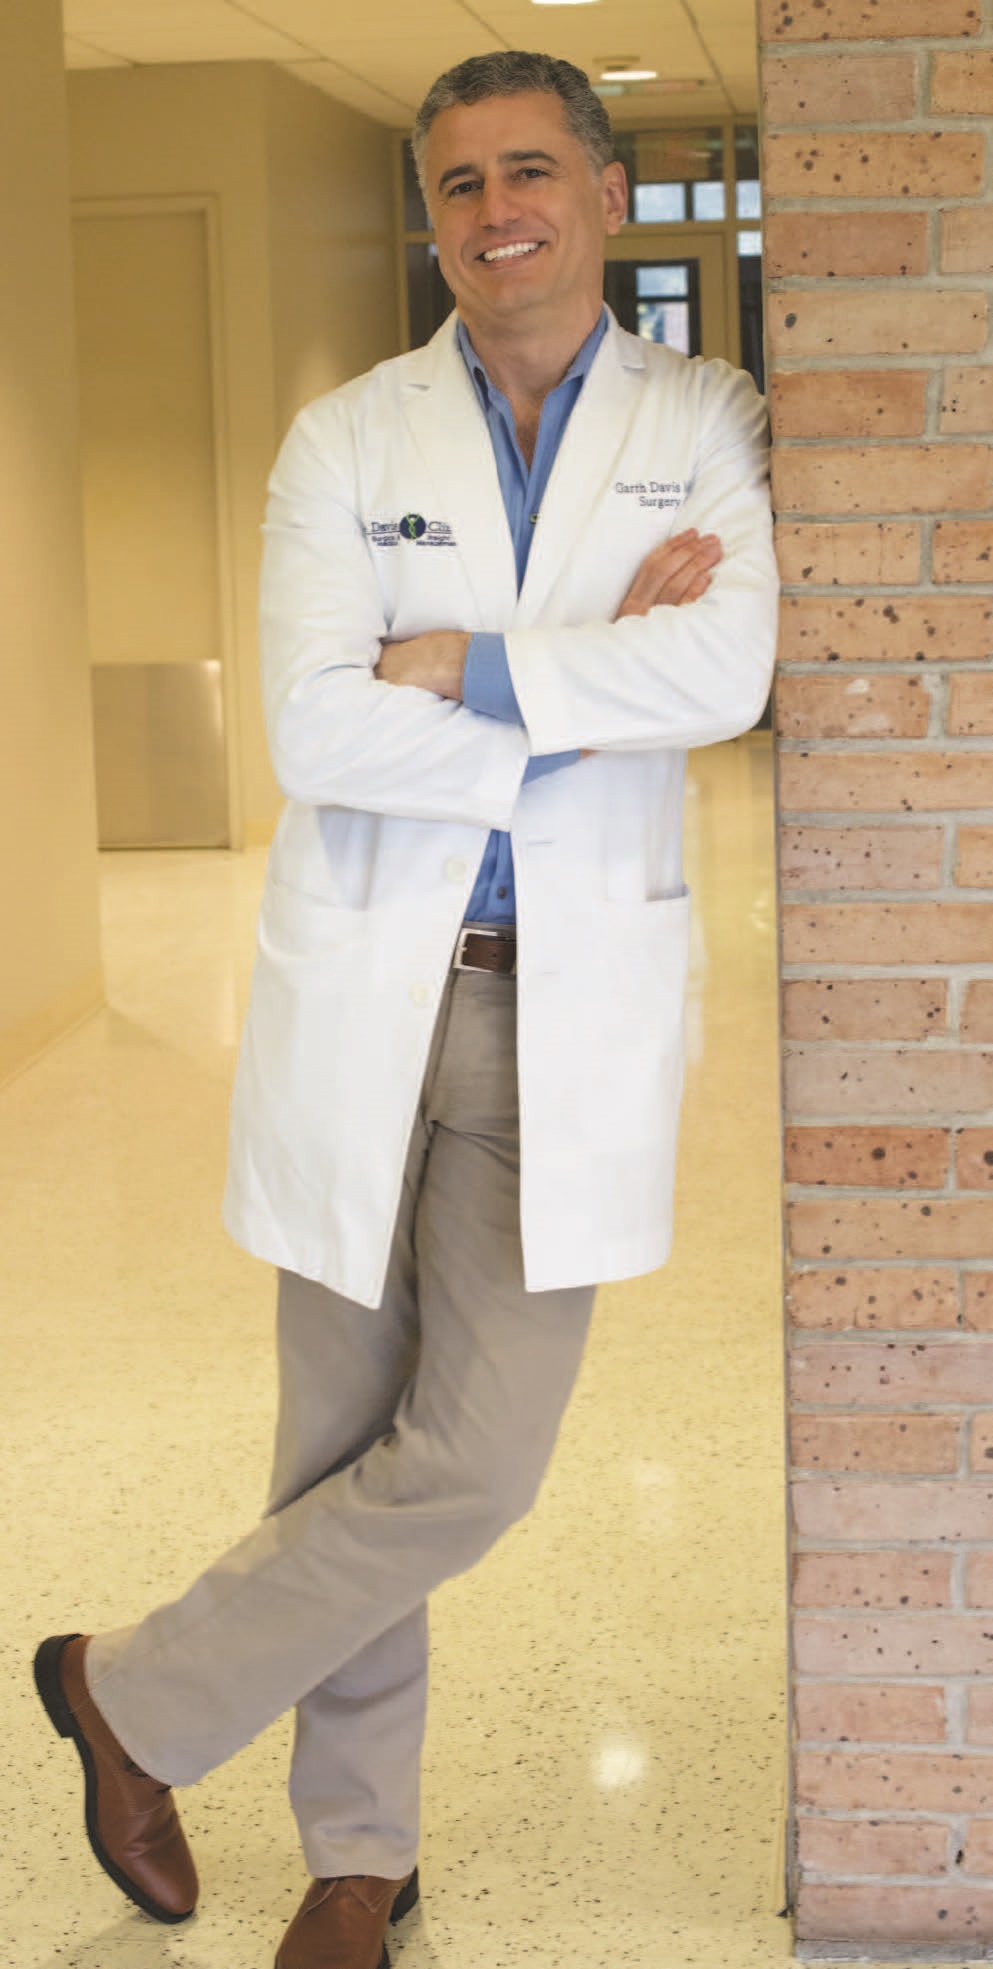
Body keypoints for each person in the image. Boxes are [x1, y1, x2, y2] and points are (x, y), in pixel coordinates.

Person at [34, 49, 778, 1969]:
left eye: (530, 171)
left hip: (564, 1009)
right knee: (335, 1436)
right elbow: (314, 730)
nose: (494, 211)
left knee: (473, 1458)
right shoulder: (347, 438)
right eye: (458, 182)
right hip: (371, 989)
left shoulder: (702, 415)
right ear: (432, 216)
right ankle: (355, 1857)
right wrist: (587, 676)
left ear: (606, 194)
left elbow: (728, 668)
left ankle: (131, 1691)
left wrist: (459, 667)